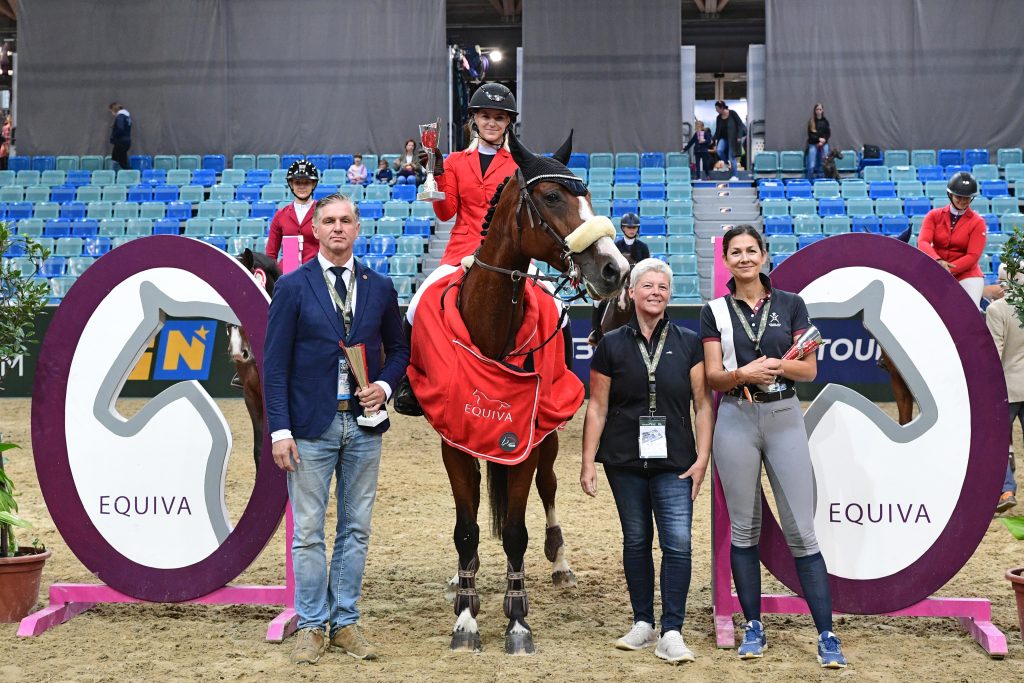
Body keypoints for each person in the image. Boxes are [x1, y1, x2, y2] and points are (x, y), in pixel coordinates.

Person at [264, 193, 409, 665]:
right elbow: (274, 365)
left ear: (358, 228)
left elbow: (400, 350)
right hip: (309, 427)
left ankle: (345, 622)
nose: (338, 228)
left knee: (356, 528)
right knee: (307, 532)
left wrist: (385, 385)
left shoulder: (380, 286)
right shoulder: (291, 286)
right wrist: (279, 430)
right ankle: (310, 624)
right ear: (317, 230)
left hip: (365, 425)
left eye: (346, 220)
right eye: (329, 221)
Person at [700, 225, 847, 669]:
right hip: (736, 418)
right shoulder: (715, 311)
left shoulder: (791, 304)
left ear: (764, 256)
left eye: (751, 250)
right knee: (744, 529)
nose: (744, 258)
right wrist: (744, 374)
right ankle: (753, 628)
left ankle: (826, 633)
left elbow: (808, 371)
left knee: (801, 530)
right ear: (726, 260)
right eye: (735, 252)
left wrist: (774, 365)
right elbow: (712, 376)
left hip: (784, 417)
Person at [581, 258, 713, 664]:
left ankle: (671, 630)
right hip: (623, 459)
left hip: (676, 460)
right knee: (636, 541)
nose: (656, 291)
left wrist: (703, 456)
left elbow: (702, 404)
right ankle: (643, 622)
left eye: (663, 287)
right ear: (631, 293)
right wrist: (588, 461)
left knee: (678, 544)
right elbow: (597, 407)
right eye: (648, 285)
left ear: (669, 294)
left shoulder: (690, 341)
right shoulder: (611, 344)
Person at [917, 171, 987, 309]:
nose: (962, 201)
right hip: (936, 269)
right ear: (950, 195)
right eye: (958, 196)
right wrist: (938, 261)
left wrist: (948, 270)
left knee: (971, 309)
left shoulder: (978, 222)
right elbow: (923, 242)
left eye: (966, 197)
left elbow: (973, 256)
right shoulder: (933, 216)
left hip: (966, 274)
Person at [986, 263, 1024, 513]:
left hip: (1008, 388)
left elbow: (994, 353)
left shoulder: (996, 309)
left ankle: (1006, 489)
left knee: (997, 442)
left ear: (1002, 283)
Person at [588, 213, 650, 346]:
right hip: (618, 282)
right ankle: (596, 331)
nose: (631, 230)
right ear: (623, 228)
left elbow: (646, 269)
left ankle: (654, 329)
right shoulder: (616, 245)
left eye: (634, 227)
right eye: (629, 227)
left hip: (636, 284)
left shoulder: (643, 248)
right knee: (597, 300)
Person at [266, 159, 321, 264]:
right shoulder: (280, 215)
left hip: (315, 272)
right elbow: (271, 254)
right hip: (288, 272)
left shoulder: (323, 212)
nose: (302, 186)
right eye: (297, 182)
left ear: (313, 184)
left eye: (307, 182)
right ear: (291, 184)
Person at [713, 100, 745, 175]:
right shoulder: (718, 117)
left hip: (733, 139)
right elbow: (717, 131)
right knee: (719, 150)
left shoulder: (732, 113)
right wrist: (713, 140)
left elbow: (740, 125)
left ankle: (735, 175)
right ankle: (727, 163)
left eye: (717, 108)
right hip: (723, 138)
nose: (716, 110)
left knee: (732, 157)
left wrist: (739, 136)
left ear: (722, 108)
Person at [805, 103, 831, 180]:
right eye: (817, 109)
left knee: (824, 164)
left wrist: (824, 140)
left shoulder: (825, 121)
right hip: (813, 144)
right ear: (815, 111)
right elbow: (810, 135)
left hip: (824, 144)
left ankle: (821, 180)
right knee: (811, 165)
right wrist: (818, 140)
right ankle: (809, 181)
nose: (819, 111)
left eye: (820, 109)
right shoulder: (811, 121)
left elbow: (828, 133)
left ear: (822, 110)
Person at [108, 102, 132, 171]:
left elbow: (120, 128)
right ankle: (113, 175)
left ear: (114, 110)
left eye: (111, 111)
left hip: (120, 142)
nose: (112, 113)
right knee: (114, 158)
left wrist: (114, 136)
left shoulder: (120, 116)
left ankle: (134, 177)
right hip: (126, 141)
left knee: (123, 164)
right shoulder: (126, 117)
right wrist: (115, 125)